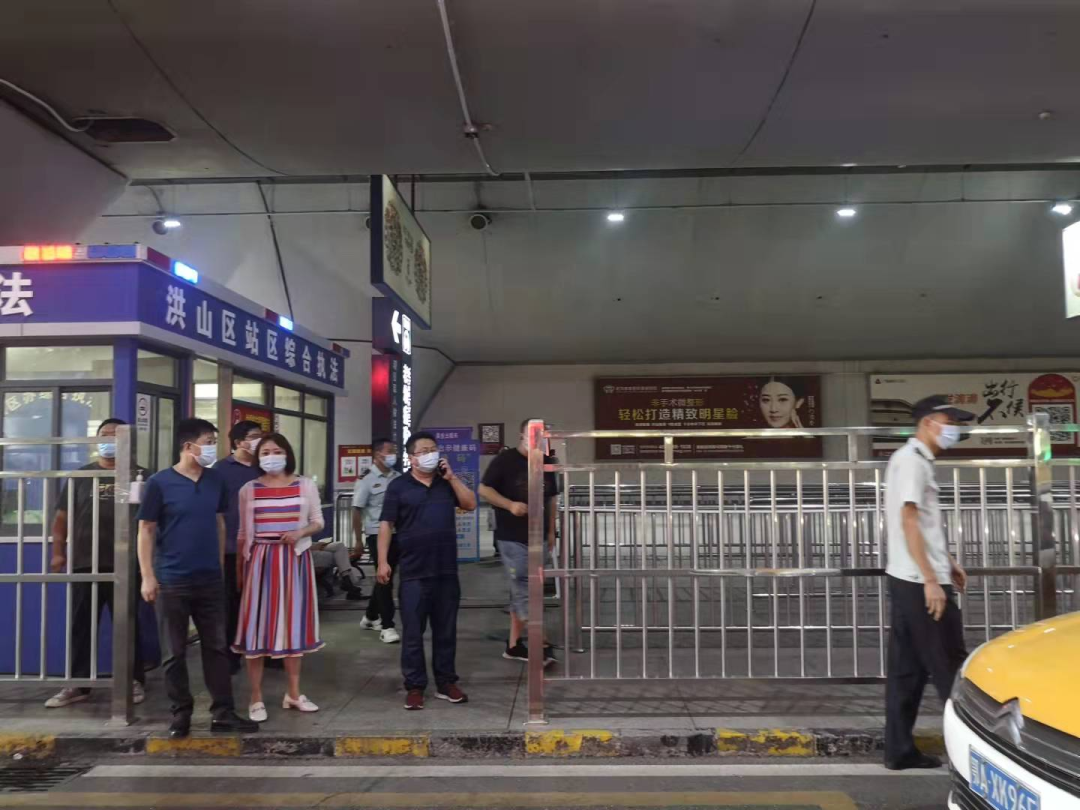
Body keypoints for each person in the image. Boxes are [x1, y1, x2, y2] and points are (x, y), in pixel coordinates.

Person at [137, 418, 257, 738]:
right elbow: (146, 530)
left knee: (217, 647)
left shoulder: (216, 480)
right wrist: (148, 576)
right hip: (171, 579)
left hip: (209, 579)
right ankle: (181, 713)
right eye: (208, 442)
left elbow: (219, 523)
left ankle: (223, 713)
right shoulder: (159, 483)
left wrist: (219, 566)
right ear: (188, 446)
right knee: (174, 652)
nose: (212, 447)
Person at [883, 395, 972, 770]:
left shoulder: (911, 460)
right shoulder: (912, 461)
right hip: (920, 583)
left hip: (910, 578)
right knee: (950, 667)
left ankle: (899, 750)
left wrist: (947, 561)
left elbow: (921, 523)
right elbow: (909, 520)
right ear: (928, 423)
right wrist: (932, 580)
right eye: (950, 422)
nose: (954, 429)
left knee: (908, 671)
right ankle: (971, 754)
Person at [45, 418, 148, 708]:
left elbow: (150, 522)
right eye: (105, 435)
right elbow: (61, 518)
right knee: (81, 625)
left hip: (126, 564)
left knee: (127, 625)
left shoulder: (140, 475)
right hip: (85, 563)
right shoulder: (81, 476)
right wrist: (58, 552)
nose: (110, 440)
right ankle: (78, 685)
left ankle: (132, 681)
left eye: (116, 435)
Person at [377, 431, 477, 710]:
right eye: (424, 451)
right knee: (413, 633)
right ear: (411, 458)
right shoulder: (399, 487)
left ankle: (446, 682)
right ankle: (415, 686)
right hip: (413, 571)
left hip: (445, 570)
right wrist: (383, 561)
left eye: (433, 449)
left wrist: (452, 477)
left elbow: (470, 504)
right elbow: (386, 524)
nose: (430, 454)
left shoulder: (446, 484)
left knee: (446, 631)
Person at [233, 433, 325, 722]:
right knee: (256, 627)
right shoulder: (248, 489)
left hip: (294, 561)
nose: (270, 456)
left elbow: (317, 522)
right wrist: (239, 570)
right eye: (264, 452)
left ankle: (294, 694)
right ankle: (256, 697)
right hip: (260, 562)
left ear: (287, 454)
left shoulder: (305, 485)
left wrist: (299, 532)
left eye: (276, 451)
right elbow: (242, 533)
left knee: (293, 625)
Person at [479, 419, 558, 664]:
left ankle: (514, 645)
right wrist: (510, 505)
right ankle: (540, 639)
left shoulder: (546, 462)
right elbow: (484, 489)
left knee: (529, 588)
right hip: (512, 536)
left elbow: (551, 498)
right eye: (532, 434)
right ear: (521, 435)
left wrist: (551, 531)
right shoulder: (505, 460)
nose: (537, 440)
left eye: (542, 435)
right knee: (524, 584)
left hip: (538, 536)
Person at [216, 420, 264, 674]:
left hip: (262, 546)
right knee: (231, 603)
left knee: (263, 601)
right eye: (254, 436)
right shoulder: (220, 470)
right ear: (238, 442)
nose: (259, 441)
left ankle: (266, 651)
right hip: (231, 548)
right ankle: (231, 654)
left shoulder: (263, 466)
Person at [352, 439, 400, 642]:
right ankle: (387, 626)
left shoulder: (398, 477)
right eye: (389, 451)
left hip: (398, 533)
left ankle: (371, 616)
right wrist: (358, 540)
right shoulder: (366, 479)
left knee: (386, 576)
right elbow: (356, 510)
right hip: (376, 534)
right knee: (385, 579)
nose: (393, 455)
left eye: (394, 451)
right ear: (377, 454)